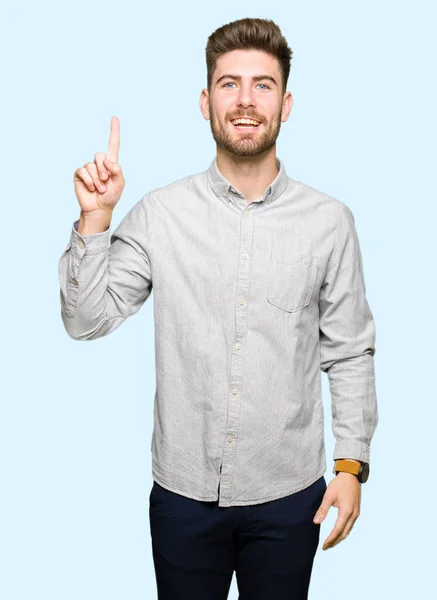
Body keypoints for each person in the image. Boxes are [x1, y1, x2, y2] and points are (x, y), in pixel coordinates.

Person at [58, 16, 378, 600]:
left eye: (263, 84)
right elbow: (85, 319)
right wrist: (96, 220)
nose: (246, 101)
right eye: (229, 84)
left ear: (286, 102)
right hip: (182, 499)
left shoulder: (330, 222)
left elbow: (350, 350)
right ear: (206, 102)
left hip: (289, 498)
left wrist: (351, 467)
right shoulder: (160, 213)